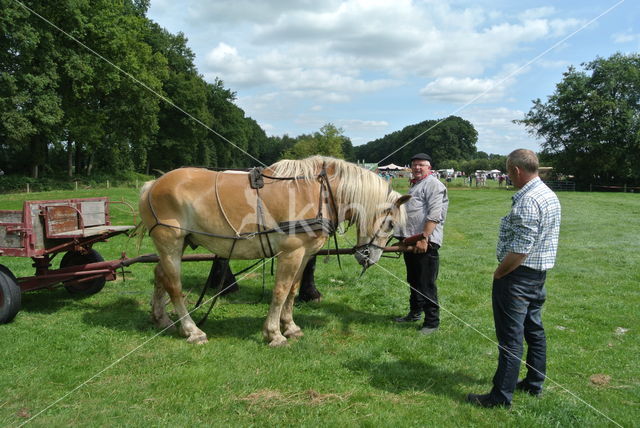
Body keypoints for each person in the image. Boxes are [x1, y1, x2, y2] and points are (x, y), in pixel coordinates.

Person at [467, 149, 561, 408]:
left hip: (518, 276)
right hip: (537, 275)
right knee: (534, 330)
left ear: (517, 170)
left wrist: (500, 272)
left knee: (511, 338)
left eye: (508, 171)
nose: (508, 176)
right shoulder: (548, 194)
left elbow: (521, 248)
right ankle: (533, 383)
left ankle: (500, 397)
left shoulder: (528, 200)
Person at [395, 153, 449, 335]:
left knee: (426, 283)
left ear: (429, 168)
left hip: (426, 242)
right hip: (411, 240)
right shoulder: (416, 185)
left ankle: (432, 322)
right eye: (414, 165)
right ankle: (415, 313)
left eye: (421, 165)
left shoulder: (433, 184)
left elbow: (435, 214)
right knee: (414, 280)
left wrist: (424, 238)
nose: (417, 168)